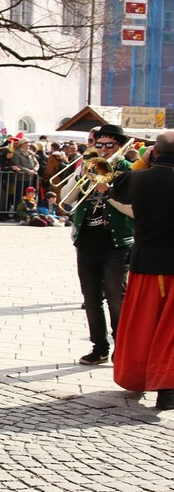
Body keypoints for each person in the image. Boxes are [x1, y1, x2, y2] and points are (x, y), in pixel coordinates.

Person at [107, 130, 174, 409]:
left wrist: (144, 162)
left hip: (145, 263)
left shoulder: (137, 178)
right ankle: (168, 389)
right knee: (169, 330)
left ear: (154, 152)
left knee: (143, 326)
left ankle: (139, 376)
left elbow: (116, 185)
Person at [62, 124, 134, 366]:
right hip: (87, 241)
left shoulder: (128, 171)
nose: (102, 149)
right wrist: (79, 175)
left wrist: (108, 191)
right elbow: (65, 199)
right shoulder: (87, 166)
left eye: (109, 145)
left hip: (116, 242)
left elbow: (134, 211)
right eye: (98, 144)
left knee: (116, 297)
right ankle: (99, 347)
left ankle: (122, 346)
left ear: (120, 147)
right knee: (91, 297)